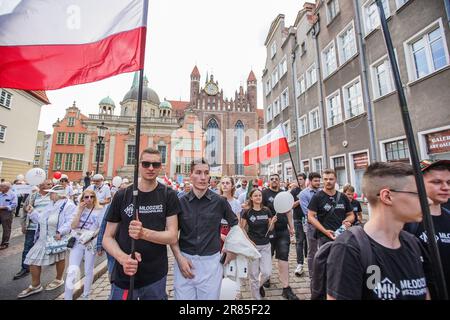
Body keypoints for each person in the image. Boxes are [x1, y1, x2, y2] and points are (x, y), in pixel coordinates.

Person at [326, 162, 430, 300]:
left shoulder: (414, 244)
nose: (428, 201)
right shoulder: (349, 248)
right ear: (387, 196)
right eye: (419, 194)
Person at [103, 148, 180, 300]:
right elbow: (107, 237)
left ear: (160, 167)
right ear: (139, 165)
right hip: (125, 274)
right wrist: (123, 258)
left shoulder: (168, 195)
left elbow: (172, 236)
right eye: (146, 164)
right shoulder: (122, 195)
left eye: (155, 164)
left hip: (155, 275)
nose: (151, 168)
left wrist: (143, 233)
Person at [170, 158, 239, 300]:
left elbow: (235, 225)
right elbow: (172, 235)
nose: (202, 177)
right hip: (185, 261)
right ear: (191, 175)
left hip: (211, 263)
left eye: (206, 173)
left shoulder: (220, 201)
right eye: (198, 172)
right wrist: (179, 258)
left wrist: (231, 248)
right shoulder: (180, 202)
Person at [17, 185, 76, 298]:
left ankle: (59, 279)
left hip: (56, 238)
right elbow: (40, 219)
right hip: (43, 238)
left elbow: (70, 221)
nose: (49, 195)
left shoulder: (68, 205)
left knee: (59, 258)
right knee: (33, 259)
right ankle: (35, 285)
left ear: (59, 195)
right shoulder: (51, 204)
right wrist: (32, 211)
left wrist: (61, 231)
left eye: (52, 193)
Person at [405, 159, 450, 297]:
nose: (446, 187)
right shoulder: (408, 222)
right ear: (417, 184)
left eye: (449, 182)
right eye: (437, 182)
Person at [262, 173, 298, 300]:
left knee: (283, 257)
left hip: (283, 231)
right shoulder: (264, 194)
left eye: (276, 179)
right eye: (272, 179)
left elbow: (288, 211)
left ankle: (286, 288)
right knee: (267, 257)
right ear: (269, 181)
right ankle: (265, 279)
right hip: (269, 231)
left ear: (279, 181)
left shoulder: (284, 194)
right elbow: (260, 210)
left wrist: (291, 227)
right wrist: (268, 221)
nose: (274, 181)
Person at [64, 189, 104, 300]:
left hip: (90, 242)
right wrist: (80, 211)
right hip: (77, 241)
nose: (89, 199)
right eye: (86, 197)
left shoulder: (100, 210)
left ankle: (86, 295)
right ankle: (68, 297)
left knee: (88, 270)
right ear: (82, 198)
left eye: (92, 197)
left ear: (95, 198)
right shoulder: (78, 209)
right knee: (72, 270)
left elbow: (101, 227)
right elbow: (73, 226)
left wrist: (91, 237)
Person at [240, 188, 275, 300]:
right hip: (253, 247)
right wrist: (249, 241)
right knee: (254, 275)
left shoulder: (266, 210)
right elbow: (242, 228)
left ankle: (259, 286)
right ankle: (256, 298)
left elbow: (270, 229)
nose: (258, 197)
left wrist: (273, 222)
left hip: (265, 246)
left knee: (267, 272)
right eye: (255, 195)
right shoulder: (247, 212)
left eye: (259, 195)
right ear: (251, 197)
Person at [14, 180, 53, 279]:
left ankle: (52, 261)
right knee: (27, 247)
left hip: (47, 227)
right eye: (48, 184)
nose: (51, 185)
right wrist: (23, 225)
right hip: (32, 227)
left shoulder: (53, 196)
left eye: (51, 184)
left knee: (50, 246)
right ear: (40, 185)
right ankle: (25, 268)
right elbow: (24, 211)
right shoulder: (32, 196)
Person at [307, 169, 354, 248]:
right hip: (324, 236)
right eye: (325, 179)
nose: (328, 181)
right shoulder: (317, 196)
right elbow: (310, 216)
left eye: (331, 179)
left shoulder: (343, 196)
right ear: (323, 180)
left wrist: (348, 220)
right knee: (326, 259)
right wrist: (324, 231)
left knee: (341, 259)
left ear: (335, 180)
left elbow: (351, 214)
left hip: (341, 234)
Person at [300, 172, 321, 282]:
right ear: (310, 181)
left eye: (319, 180)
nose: (318, 183)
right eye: (316, 181)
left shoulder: (322, 192)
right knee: (312, 250)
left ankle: (322, 271)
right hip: (311, 225)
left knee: (323, 248)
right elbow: (306, 212)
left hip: (323, 225)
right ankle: (313, 274)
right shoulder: (304, 194)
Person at [291, 173, 307, 277]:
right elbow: (291, 205)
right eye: (298, 179)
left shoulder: (309, 190)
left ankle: (310, 261)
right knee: (299, 241)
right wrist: (300, 199)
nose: (299, 181)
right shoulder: (294, 191)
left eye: (301, 179)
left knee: (309, 242)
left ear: (305, 180)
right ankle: (300, 264)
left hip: (309, 219)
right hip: (297, 219)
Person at [219, 176, 242, 246]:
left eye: (227, 183)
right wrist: (220, 235)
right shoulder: (216, 201)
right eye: (223, 183)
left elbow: (238, 222)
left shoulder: (236, 202)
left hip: (232, 231)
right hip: (218, 231)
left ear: (232, 186)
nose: (225, 185)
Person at [0, 181, 18, 250]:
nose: (0, 187)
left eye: (1, 186)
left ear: (7, 188)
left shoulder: (13, 194)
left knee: (6, 228)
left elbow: (14, 205)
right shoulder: (0, 193)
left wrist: (3, 207)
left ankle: (5, 243)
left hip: (6, 213)